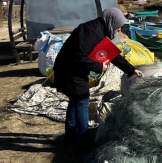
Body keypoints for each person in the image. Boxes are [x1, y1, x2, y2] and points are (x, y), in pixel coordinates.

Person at [53, 8, 144, 150]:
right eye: (118, 26)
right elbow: (78, 56)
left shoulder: (100, 30)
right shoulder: (92, 32)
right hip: (69, 71)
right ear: (112, 22)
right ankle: (83, 142)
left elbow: (112, 55)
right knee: (82, 101)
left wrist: (131, 70)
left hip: (71, 70)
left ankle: (70, 137)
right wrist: (98, 66)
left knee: (75, 101)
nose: (119, 29)